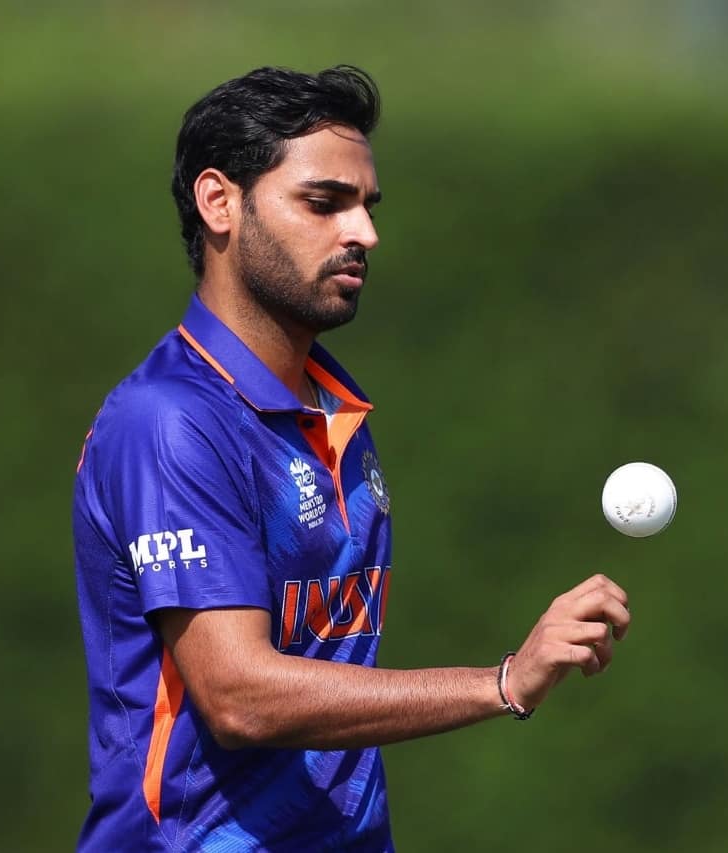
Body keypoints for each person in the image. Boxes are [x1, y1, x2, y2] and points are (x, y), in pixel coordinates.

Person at [71, 65, 631, 852]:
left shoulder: (335, 406)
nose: (364, 233)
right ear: (219, 202)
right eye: (324, 202)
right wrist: (499, 683)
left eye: (367, 206)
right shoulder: (171, 421)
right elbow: (240, 699)